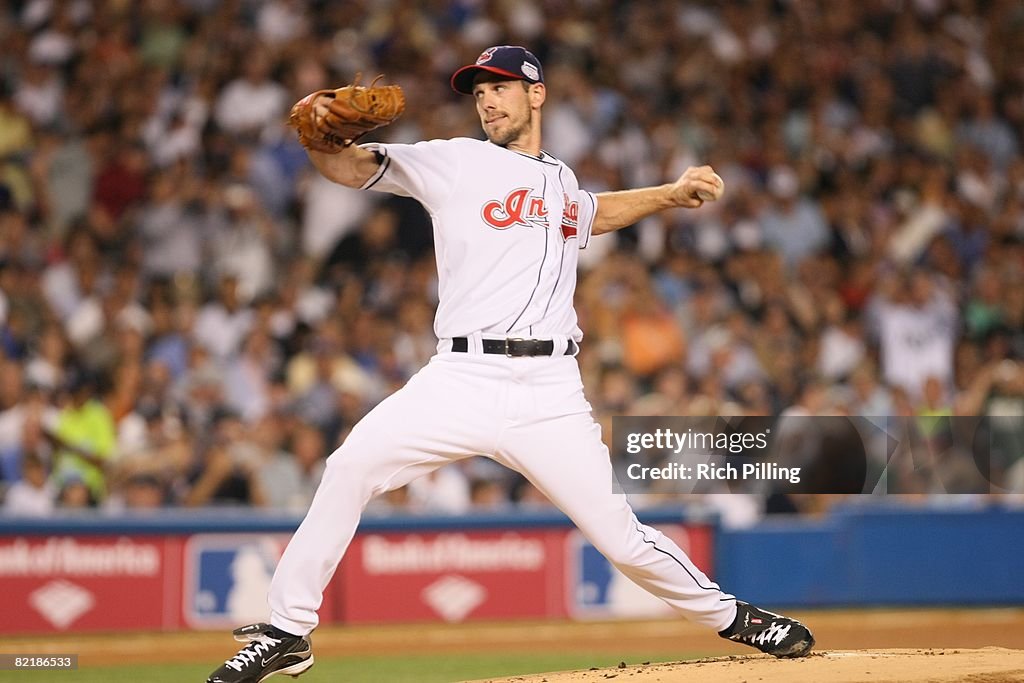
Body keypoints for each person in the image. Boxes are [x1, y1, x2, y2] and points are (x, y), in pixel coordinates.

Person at [207, 45, 814, 683]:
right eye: (478, 92)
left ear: (536, 94)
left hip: (549, 392)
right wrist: (319, 140)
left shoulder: (560, 179)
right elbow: (352, 168)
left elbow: (590, 214)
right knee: (350, 466)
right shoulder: (454, 161)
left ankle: (733, 619)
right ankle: (287, 631)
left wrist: (669, 192)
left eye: (500, 87)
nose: (488, 100)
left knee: (621, 537)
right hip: (460, 379)